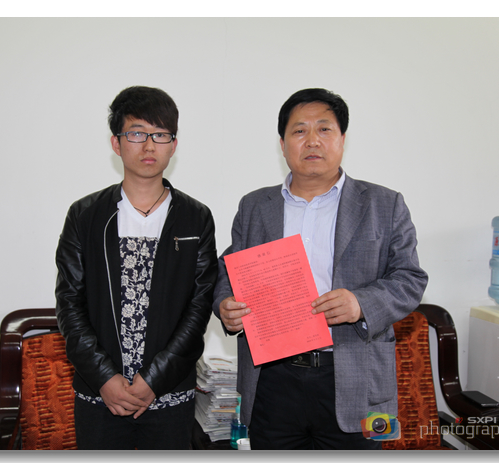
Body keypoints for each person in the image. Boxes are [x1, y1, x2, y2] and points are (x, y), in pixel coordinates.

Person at [213, 88, 428, 450]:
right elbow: (228, 270)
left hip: (358, 379)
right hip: (272, 382)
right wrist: (224, 305)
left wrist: (360, 303)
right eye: (299, 131)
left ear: (342, 139)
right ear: (282, 144)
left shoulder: (384, 204)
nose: (312, 140)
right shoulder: (255, 206)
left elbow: (410, 279)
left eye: (324, 129)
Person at [55, 86, 217, 450]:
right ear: (116, 143)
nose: (149, 146)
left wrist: (153, 380)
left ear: (173, 145)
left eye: (160, 135)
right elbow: (69, 303)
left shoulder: (195, 218)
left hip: (169, 391)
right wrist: (105, 378)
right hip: (100, 393)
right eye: (137, 133)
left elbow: (199, 306)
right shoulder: (85, 216)